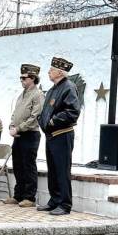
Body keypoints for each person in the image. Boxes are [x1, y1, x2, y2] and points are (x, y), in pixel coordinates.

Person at [37, 57, 80, 216]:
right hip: (51, 136)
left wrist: (54, 121)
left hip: (62, 135)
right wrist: (42, 120)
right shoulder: (53, 89)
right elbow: (46, 111)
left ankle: (64, 204)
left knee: (62, 170)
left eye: (51, 69)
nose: (49, 71)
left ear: (60, 72)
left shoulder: (69, 87)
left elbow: (73, 112)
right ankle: (54, 201)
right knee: (53, 170)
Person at [4, 64, 44, 208]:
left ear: (32, 78)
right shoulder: (22, 94)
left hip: (30, 134)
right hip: (19, 134)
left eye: (24, 77)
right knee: (18, 166)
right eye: (21, 77)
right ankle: (18, 194)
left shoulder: (37, 94)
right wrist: (11, 125)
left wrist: (19, 128)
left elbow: (35, 116)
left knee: (28, 166)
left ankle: (29, 197)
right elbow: (16, 113)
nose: (21, 80)